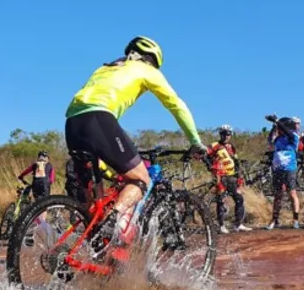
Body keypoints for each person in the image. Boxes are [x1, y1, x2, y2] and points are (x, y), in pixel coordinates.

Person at [64, 36, 207, 264]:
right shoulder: (146, 69)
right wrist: (195, 142)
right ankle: (114, 222)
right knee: (141, 179)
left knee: (94, 205)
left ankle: (98, 260)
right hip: (99, 119)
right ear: (151, 60)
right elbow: (175, 104)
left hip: (72, 123)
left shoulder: (105, 68)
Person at [208, 125, 251, 233]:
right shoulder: (215, 145)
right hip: (220, 177)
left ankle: (238, 224)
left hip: (232, 176)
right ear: (220, 134)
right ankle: (221, 226)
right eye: (224, 133)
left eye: (228, 134)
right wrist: (211, 168)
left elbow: (236, 161)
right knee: (221, 200)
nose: (226, 136)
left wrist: (239, 176)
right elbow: (204, 156)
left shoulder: (231, 147)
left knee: (239, 198)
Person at [266, 115, 302, 229]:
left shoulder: (293, 137)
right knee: (278, 195)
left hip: (289, 169)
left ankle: (295, 220)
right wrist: (273, 127)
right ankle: (274, 220)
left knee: (292, 193)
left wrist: (277, 121)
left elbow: (288, 132)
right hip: (277, 169)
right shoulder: (278, 139)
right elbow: (270, 140)